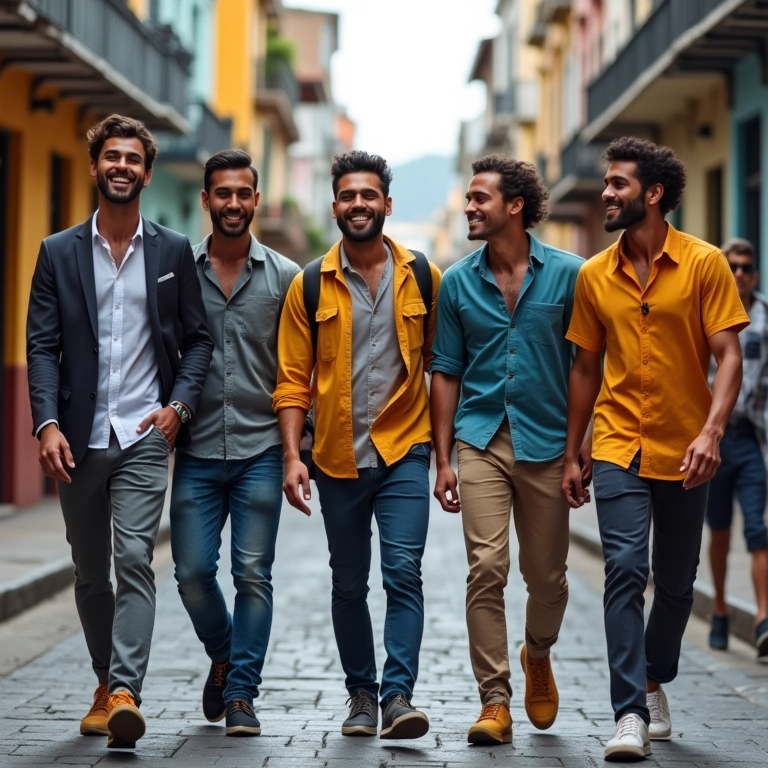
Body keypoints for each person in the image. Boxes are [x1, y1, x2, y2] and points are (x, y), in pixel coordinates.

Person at [26, 114, 213, 749]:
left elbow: (197, 340)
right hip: (76, 439)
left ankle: (126, 692)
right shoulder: (57, 252)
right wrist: (46, 423)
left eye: (133, 158)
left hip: (142, 434)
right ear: (94, 166)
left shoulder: (172, 251)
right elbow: (42, 345)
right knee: (89, 571)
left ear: (147, 173)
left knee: (134, 558)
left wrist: (178, 407)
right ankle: (105, 683)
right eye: (112, 156)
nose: (122, 166)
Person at [561, 137, 748, 762]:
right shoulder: (594, 274)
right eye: (607, 183)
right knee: (623, 568)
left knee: (675, 584)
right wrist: (574, 449)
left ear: (654, 192)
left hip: (688, 447)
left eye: (618, 184)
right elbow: (585, 368)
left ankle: (652, 676)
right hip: (618, 443)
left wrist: (711, 432)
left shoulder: (704, 264)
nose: (606, 193)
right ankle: (629, 714)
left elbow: (729, 356)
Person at [273, 151, 441, 740]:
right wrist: (292, 457)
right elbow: (292, 381)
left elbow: (442, 367)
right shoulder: (308, 285)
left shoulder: (423, 276)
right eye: (348, 196)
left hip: (405, 451)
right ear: (335, 206)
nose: (359, 204)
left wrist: (447, 455)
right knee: (348, 582)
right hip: (336, 457)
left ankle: (397, 696)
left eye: (369, 195)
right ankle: (361, 695)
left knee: (403, 572)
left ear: (387, 204)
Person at [430, 155, 583, 745]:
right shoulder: (456, 282)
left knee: (547, 579)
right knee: (486, 569)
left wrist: (580, 448)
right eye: (469, 198)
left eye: (480, 199)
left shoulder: (570, 275)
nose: (469, 207)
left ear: (515, 206)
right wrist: (443, 459)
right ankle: (494, 700)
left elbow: (588, 367)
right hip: (481, 439)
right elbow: (446, 370)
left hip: (548, 443)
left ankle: (537, 652)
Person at [169, 150, 299, 736]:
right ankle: (224, 655)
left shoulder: (286, 277)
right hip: (196, 448)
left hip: (261, 449)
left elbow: (299, 366)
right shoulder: (177, 269)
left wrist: (298, 449)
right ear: (206, 200)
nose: (233, 203)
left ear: (256, 199)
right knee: (192, 572)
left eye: (243, 193)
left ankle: (242, 692)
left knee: (253, 573)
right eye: (223, 193)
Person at [705, 237, 768, 660]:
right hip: (713, 437)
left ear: (755, 274)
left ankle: (764, 619)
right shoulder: (705, 309)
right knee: (721, 531)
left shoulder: (765, 317)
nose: (740, 274)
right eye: (733, 267)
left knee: (757, 529)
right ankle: (720, 609)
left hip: (749, 437)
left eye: (746, 267)